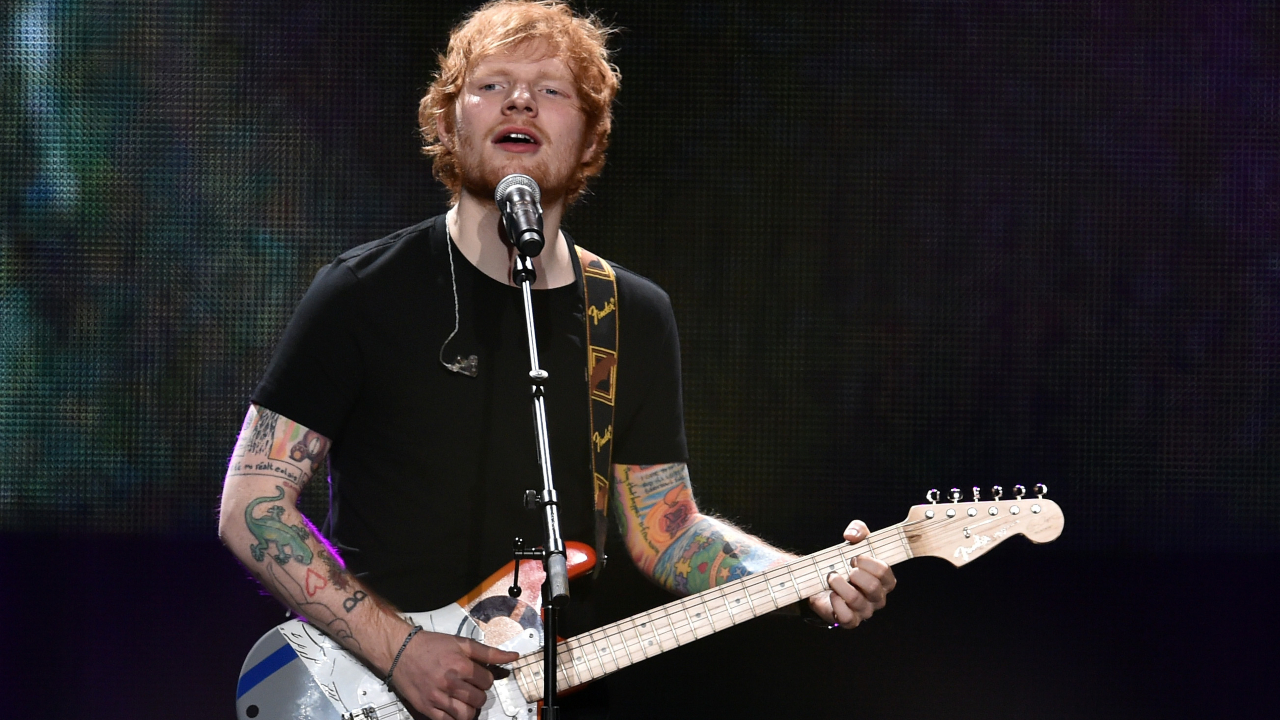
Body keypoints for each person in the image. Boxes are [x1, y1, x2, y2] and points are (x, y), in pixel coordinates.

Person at [218, 2, 896, 718]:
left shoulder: (629, 314)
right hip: (368, 693)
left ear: (590, 137)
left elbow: (667, 531)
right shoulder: (362, 292)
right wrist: (400, 652)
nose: (520, 101)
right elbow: (252, 505)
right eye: (491, 85)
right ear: (446, 122)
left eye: (550, 89)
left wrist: (805, 580)